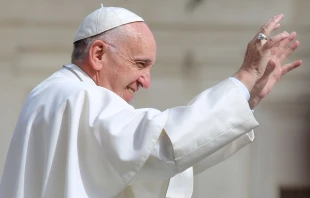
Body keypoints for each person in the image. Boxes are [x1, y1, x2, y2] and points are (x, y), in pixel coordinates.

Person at [0, 4, 302, 198]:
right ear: (98, 55)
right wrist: (245, 76)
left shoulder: (54, 95)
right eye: (140, 64)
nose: (146, 81)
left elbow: (155, 161)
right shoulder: (76, 96)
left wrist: (245, 100)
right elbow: (163, 146)